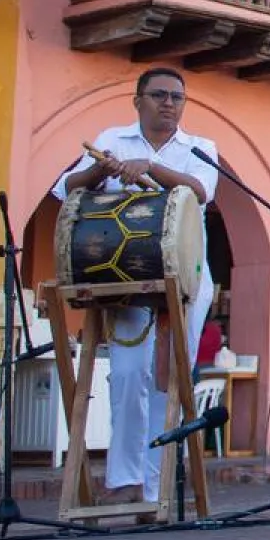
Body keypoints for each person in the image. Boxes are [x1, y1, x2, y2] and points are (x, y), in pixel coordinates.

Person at [52, 66, 218, 509]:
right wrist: (99, 170)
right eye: (159, 95)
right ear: (138, 100)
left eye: (177, 97)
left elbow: (201, 192)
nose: (169, 103)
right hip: (124, 277)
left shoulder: (200, 148)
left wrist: (151, 168)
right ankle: (125, 479)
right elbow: (64, 188)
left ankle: (154, 482)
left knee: (168, 381)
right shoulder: (112, 137)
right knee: (127, 375)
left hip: (186, 276)